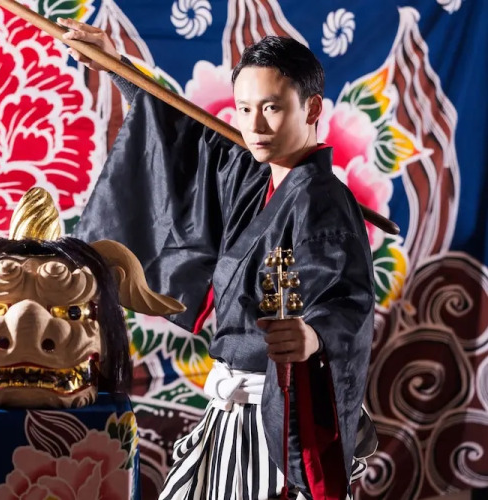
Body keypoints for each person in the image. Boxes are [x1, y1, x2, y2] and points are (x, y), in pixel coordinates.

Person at [61, 18, 375, 500]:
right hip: (231, 412)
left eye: (272, 107)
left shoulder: (321, 200)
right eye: (245, 108)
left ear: (311, 107)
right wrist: (115, 65)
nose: (255, 125)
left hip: (276, 418)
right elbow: (178, 134)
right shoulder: (255, 175)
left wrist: (313, 335)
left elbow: (346, 301)